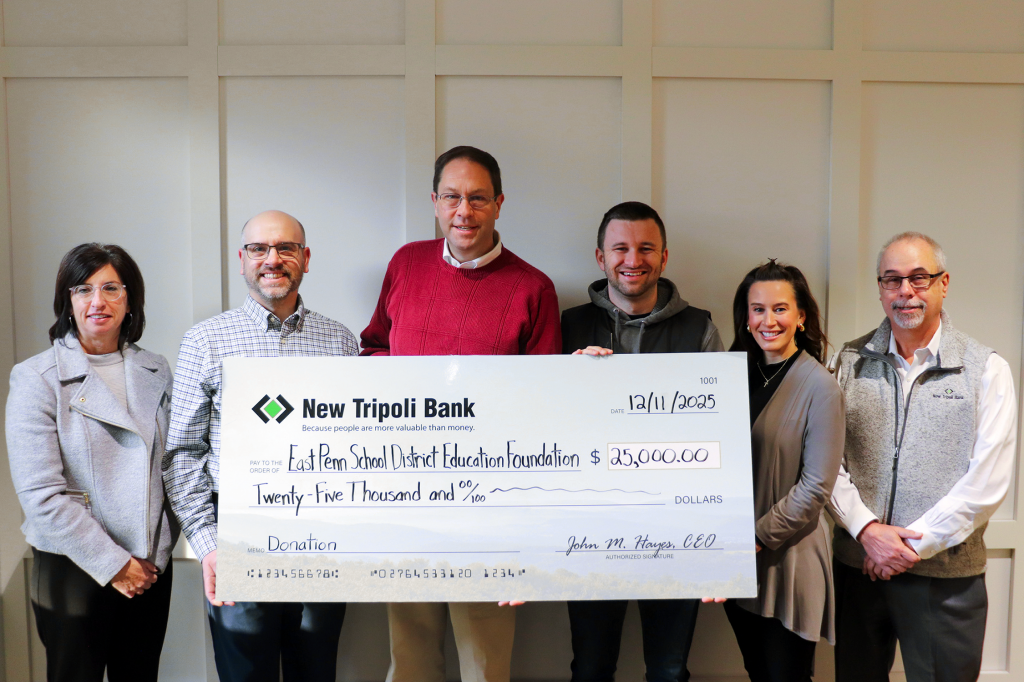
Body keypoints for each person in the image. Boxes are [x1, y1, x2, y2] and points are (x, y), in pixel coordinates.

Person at [361, 145, 561, 682]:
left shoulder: (533, 288)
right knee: (410, 657)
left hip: (490, 507)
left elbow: (544, 407)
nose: (463, 212)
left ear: (499, 204)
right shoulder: (406, 263)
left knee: (485, 662)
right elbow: (373, 346)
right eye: (451, 197)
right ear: (434, 202)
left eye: (476, 198)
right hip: (404, 495)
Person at [163, 210, 358, 682]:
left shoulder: (340, 342)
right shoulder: (205, 341)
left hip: (322, 539)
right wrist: (209, 546)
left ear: (306, 258)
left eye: (286, 248)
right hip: (236, 540)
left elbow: (358, 448)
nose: (272, 259)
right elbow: (182, 454)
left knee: (316, 673)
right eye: (259, 249)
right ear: (243, 259)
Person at [828, 232, 1016, 682]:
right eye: (892, 280)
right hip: (859, 572)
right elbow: (825, 463)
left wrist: (907, 547)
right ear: (879, 288)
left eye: (918, 278)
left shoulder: (985, 368)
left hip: (946, 580)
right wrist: (867, 532)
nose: (905, 292)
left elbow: (986, 483)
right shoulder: (848, 361)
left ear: (943, 283)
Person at [560, 200, 722, 682]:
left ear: (664, 257)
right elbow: (543, 427)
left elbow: (717, 435)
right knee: (590, 668)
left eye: (646, 248)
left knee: (670, 670)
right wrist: (570, 378)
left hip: (676, 526)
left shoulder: (700, 329)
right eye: (621, 248)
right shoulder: (567, 326)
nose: (633, 259)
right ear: (600, 257)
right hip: (590, 526)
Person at [7, 243, 176, 682]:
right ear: (67, 300)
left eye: (111, 288)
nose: (97, 301)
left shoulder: (158, 370)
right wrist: (116, 564)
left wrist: (155, 553)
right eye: (83, 289)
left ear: (130, 299)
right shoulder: (35, 377)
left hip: (149, 567)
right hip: (74, 564)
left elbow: (174, 466)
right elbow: (41, 496)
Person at [721, 260, 844, 682]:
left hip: (788, 559)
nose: (767, 320)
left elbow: (816, 487)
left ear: (801, 315)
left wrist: (754, 538)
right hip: (740, 560)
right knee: (758, 672)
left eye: (780, 309)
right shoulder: (729, 375)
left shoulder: (820, 387)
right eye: (758, 309)